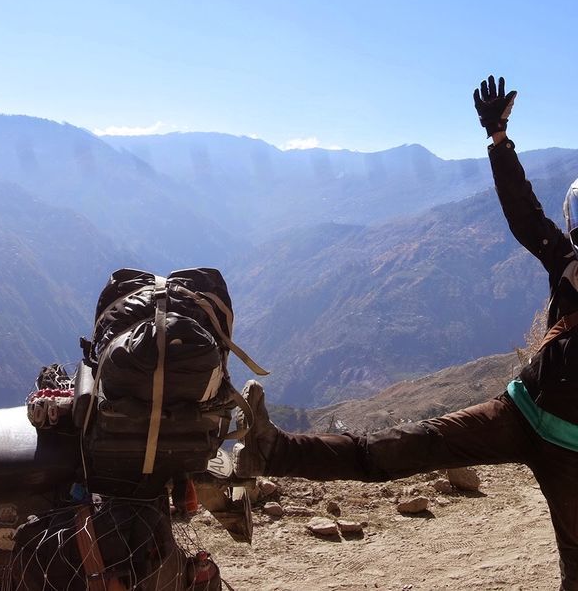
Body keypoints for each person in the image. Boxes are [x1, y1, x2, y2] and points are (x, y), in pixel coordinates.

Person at [233, 74, 578, 589]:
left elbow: (526, 217)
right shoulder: (567, 262)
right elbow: (524, 214)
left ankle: (276, 450)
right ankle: (273, 450)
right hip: (521, 411)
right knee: (398, 447)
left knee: (399, 448)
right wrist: (499, 142)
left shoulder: (569, 261)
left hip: (548, 432)